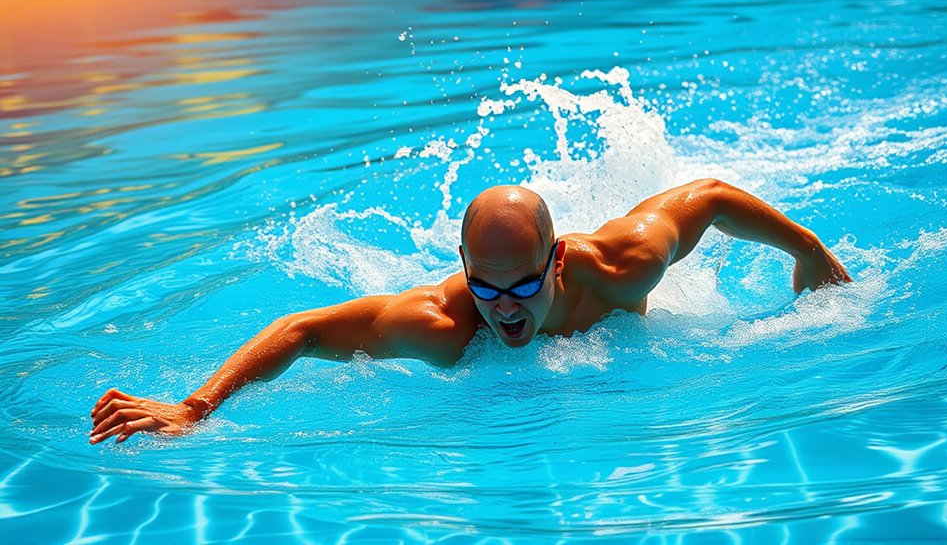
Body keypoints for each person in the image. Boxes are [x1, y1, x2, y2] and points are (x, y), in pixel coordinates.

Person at [90, 179, 851, 444]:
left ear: (556, 263)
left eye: (521, 288)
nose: (504, 311)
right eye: (485, 287)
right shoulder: (445, 327)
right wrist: (196, 407)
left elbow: (710, 198)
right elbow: (304, 329)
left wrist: (808, 249)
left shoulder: (621, 267)